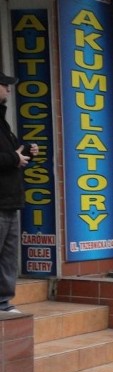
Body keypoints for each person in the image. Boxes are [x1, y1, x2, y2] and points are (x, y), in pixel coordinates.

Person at [0, 71, 39, 314]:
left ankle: (3, 302)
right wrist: (14, 158)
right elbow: (9, 158)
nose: (9, 90)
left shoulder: (3, 122)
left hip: (10, 201)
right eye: (5, 85)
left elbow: (14, 155)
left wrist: (27, 153)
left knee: (8, 257)